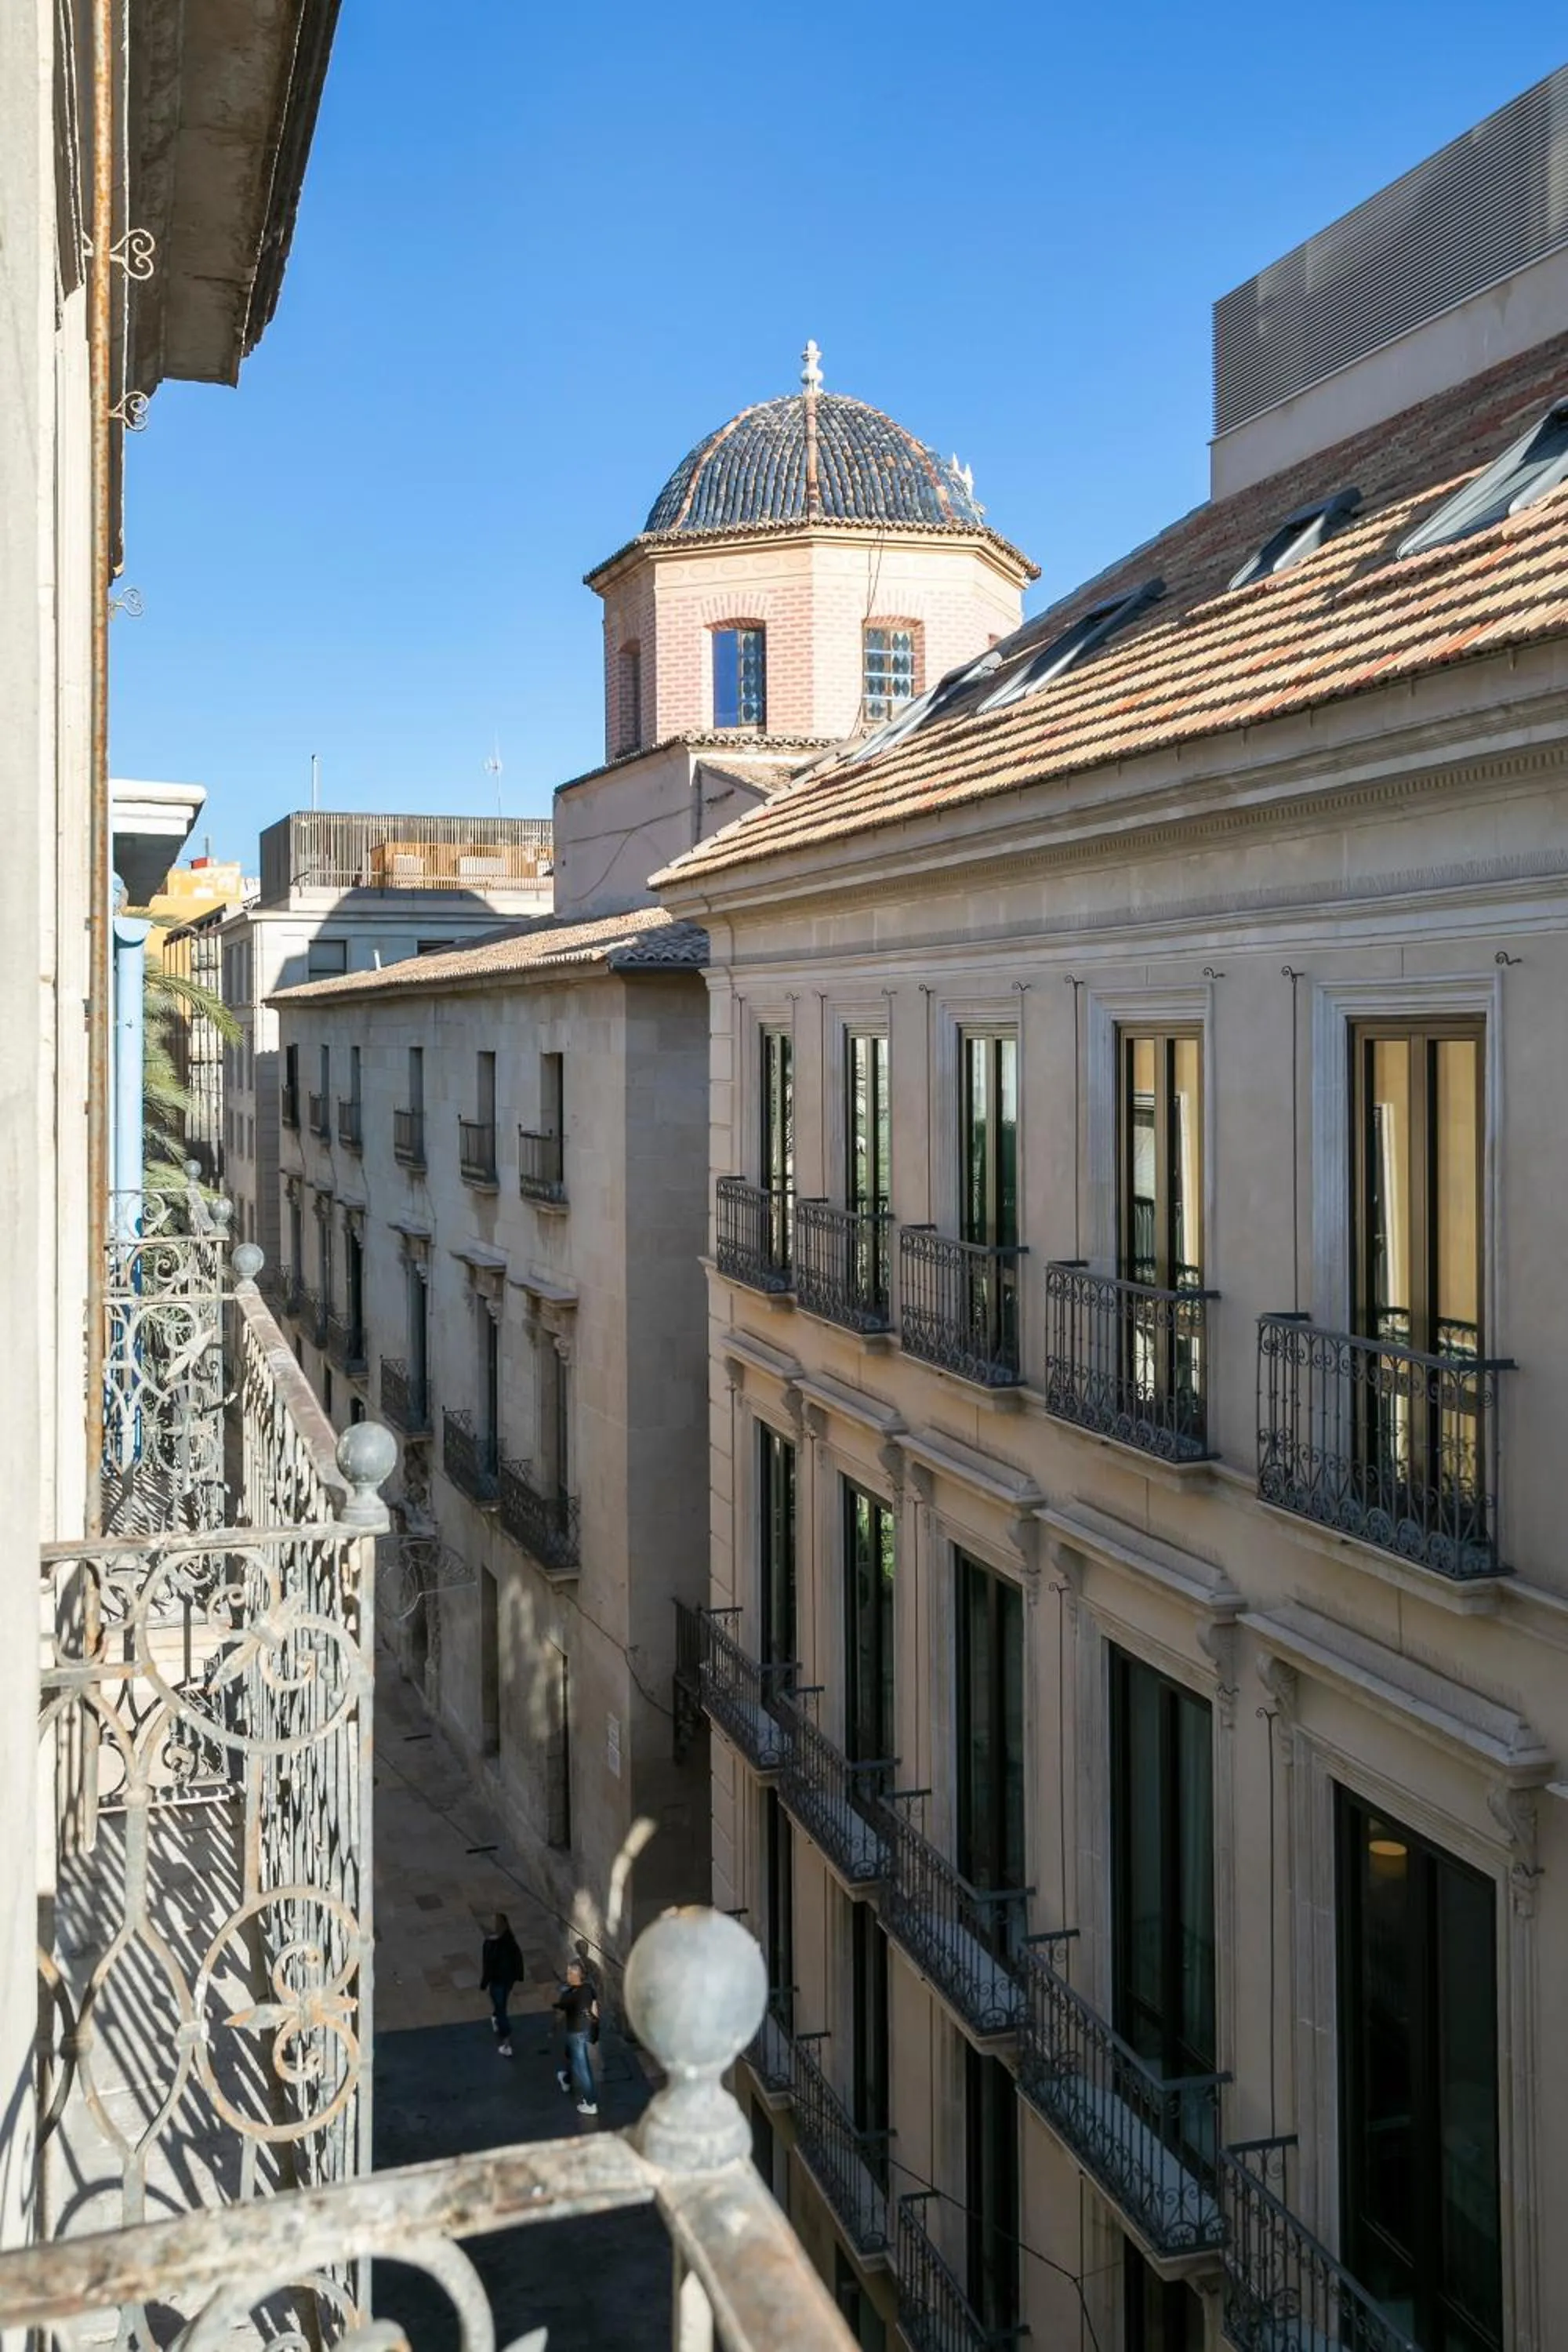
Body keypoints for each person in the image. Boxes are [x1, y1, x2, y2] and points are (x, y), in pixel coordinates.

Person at [552, 1959, 599, 2114]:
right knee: (570, 2054)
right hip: (585, 2030)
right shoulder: (588, 1989)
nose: (567, 1976)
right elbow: (594, 2010)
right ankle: (566, 2078)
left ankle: (590, 2102)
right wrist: (595, 2029)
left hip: (575, 2033)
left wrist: (553, 2028)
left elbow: (560, 2013)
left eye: (568, 1973)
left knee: (582, 2067)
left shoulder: (569, 1995)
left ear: (574, 1975)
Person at [479, 1911, 524, 2058]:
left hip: (498, 1980)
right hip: (508, 1980)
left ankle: (506, 2043)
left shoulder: (490, 1944)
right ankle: (496, 2018)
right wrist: (519, 1976)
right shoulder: (510, 1940)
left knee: (501, 2010)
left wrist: (484, 1983)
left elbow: (488, 1966)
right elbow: (518, 1958)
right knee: (501, 2003)